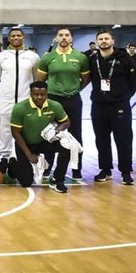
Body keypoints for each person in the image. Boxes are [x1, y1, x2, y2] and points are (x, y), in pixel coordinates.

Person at [37, 28, 90, 181]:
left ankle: (76, 169)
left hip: (73, 100)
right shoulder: (48, 58)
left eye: (67, 35)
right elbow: (40, 80)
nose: (64, 38)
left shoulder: (81, 57)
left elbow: (85, 79)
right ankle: (47, 168)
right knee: (50, 134)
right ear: (56, 38)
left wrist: (75, 89)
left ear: (71, 38)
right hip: (53, 101)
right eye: (61, 35)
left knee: (76, 134)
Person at [89, 30, 136, 185]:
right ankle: (105, 169)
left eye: (106, 38)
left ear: (112, 41)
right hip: (98, 105)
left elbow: (134, 80)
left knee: (123, 139)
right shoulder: (92, 59)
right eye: (100, 39)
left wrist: (123, 97)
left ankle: (126, 172)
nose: (103, 41)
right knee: (101, 139)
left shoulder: (125, 58)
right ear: (97, 42)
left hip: (120, 105)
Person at [10, 81, 71, 193]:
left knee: (67, 147)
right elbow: (15, 133)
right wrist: (29, 155)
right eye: (36, 94)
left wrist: (56, 131)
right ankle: (13, 163)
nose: (39, 97)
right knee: (26, 182)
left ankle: (58, 180)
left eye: (42, 94)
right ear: (30, 94)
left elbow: (66, 122)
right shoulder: (19, 108)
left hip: (44, 143)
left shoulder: (55, 105)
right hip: (25, 144)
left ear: (47, 94)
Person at [0, 28, 40, 174]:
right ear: (9, 38)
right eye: (13, 36)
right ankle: (4, 158)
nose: (16, 38)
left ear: (23, 37)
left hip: (25, 99)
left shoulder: (33, 57)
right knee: (5, 129)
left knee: (22, 131)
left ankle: (19, 158)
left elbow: (35, 75)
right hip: (6, 99)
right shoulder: (1, 57)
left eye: (19, 35)